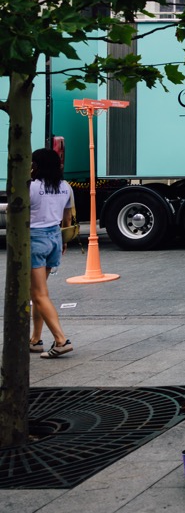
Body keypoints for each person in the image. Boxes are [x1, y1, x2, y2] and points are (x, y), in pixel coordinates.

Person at [28, 148, 75, 358]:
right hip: (55, 237)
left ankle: (60, 340)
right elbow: (67, 218)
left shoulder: (32, 186)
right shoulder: (65, 187)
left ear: (37, 165)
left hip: (35, 238)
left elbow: (18, 210)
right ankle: (36, 339)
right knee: (39, 293)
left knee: (39, 294)